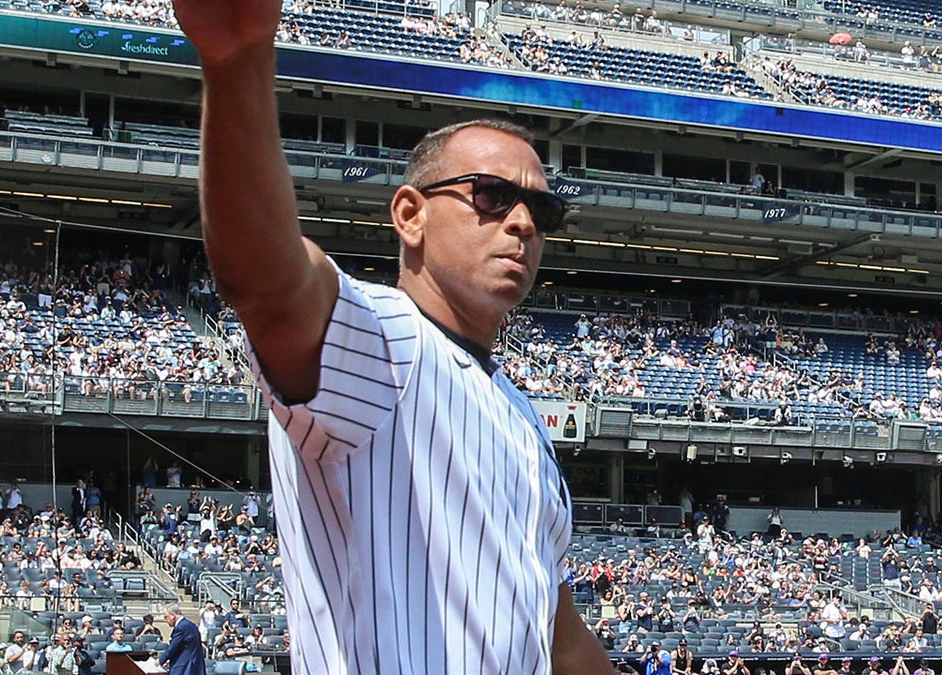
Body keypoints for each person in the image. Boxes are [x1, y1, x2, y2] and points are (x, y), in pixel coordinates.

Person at [168, 0, 606, 670]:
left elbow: (556, 627)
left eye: (541, 210)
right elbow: (270, 284)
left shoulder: (523, 413)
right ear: (410, 214)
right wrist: (236, 64)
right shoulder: (385, 339)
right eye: (490, 195)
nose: (522, 222)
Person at [158, 604, 204, 675]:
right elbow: (183, 648)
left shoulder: (181, 627)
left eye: (166, 617)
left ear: (173, 615)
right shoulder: (190, 624)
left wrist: (160, 661)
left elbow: (173, 647)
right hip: (193, 665)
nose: (166, 620)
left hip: (186, 667)